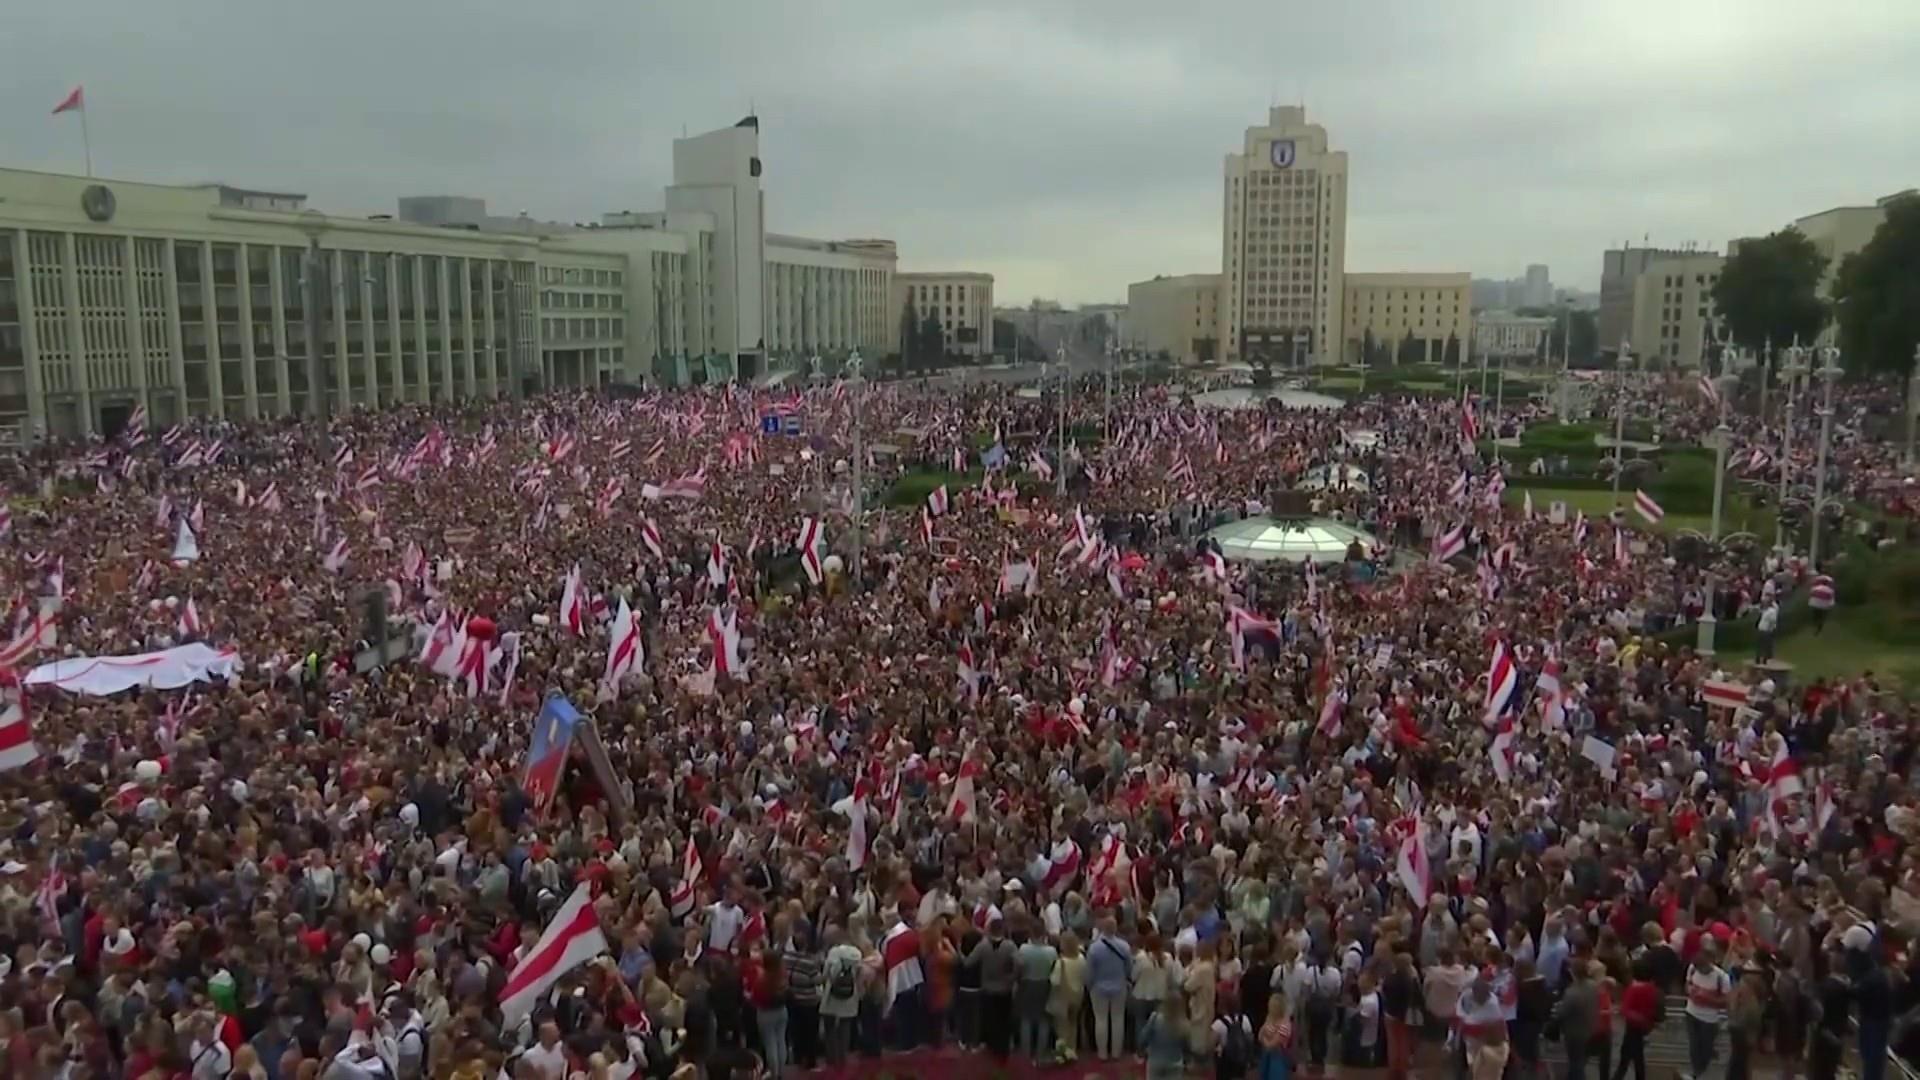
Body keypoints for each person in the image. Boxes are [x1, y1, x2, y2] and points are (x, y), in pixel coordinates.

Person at [1087, 916, 1133, 1061]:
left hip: (1099, 987)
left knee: (1100, 1020)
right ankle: (1116, 1052)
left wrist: (1089, 985)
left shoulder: (1094, 948)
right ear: (1115, 928)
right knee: (1118, 1020)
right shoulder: (1124, 946)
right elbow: (1129, 967)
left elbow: (1090, 971)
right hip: (1119, 985)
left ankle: (1102, 1053)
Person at [1683, 946, 1731, 1080]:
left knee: (1706, 1048)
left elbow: (1726, 1001)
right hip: (1691, 1013)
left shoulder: (1722, 978)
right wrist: (1690, 990)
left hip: (1709, 1019)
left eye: (1703, 969)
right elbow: (1687, 984)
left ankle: (1702, 1071)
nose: (1701, 972)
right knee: (1693, 1047)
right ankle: (1696, 1073)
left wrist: (1708, 998)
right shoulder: (1692, 968)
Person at [1142, 994, 1188, 1080]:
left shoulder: (1155, 1018)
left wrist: (1143, 1050)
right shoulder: (1184, 1024)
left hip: (1156, 1061)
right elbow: (1186, 1046)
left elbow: (1144, 1037)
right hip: (1175, 1063)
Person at [1258, 992, 1295, 1080]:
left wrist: (1265, 1039)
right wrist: (1265, 1038)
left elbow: (1272, 1044)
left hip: (1278, 1058)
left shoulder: (1285, 1024)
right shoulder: (1269, 1019)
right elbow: (1260, 1035)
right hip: (1266, 1056)